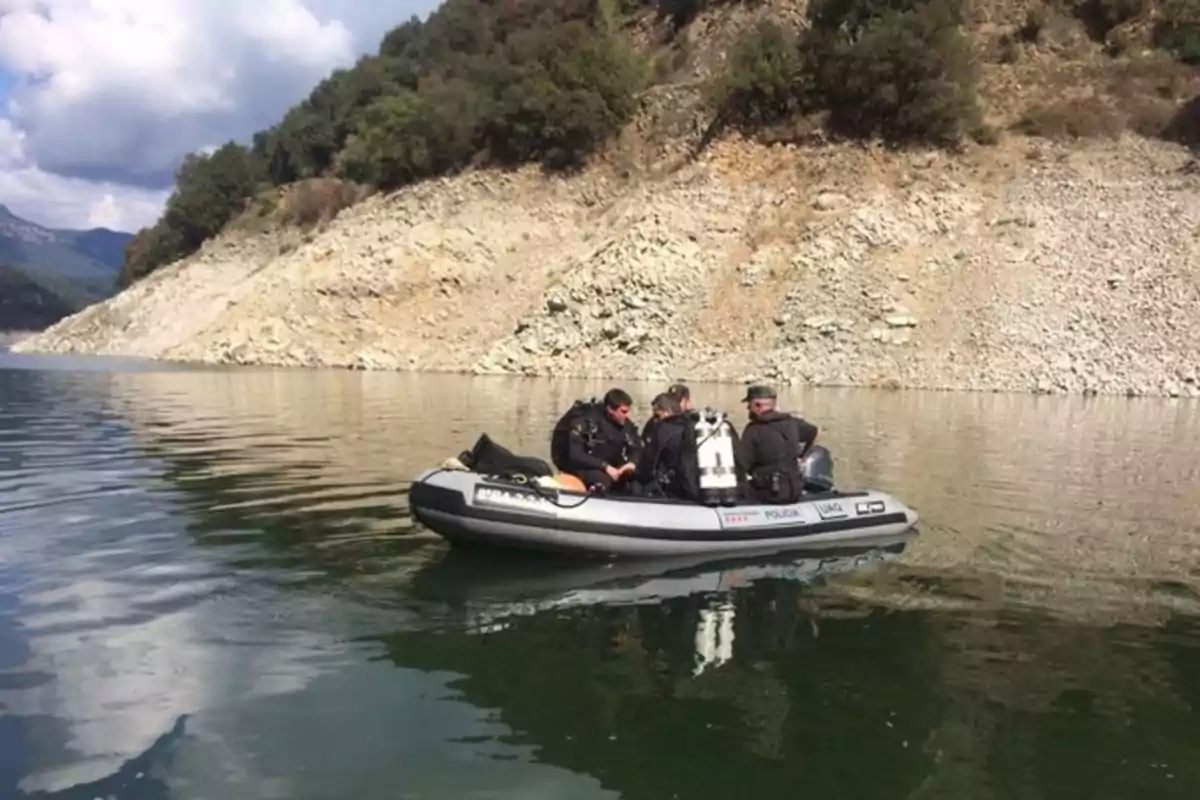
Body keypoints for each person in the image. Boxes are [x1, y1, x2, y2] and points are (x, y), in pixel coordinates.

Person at [551, 387, 643, 493]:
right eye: (623, 412)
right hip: (583, 467)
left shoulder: (625, 424)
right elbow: (575, 454)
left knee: (637, 481)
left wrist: (631, 463)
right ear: (610, 409)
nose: (627, 416)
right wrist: (605, 467)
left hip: (613, 468)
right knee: (603, 481)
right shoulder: (586, 421)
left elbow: (637, 446)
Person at [738, 384, 819, 504]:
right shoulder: (793, 423)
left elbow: (742, 466)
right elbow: (814, 431)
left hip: (771, 493)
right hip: (795, 491)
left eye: (749, 405)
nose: (748, 408)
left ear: (757, 405)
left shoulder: (753, 430)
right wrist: (802, 456)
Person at [632, 393, 701, 501]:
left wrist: (635, 470)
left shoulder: (663, 429)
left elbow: (647, 465)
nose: (655, 420)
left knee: (635, 484)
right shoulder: (693, 426)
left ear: (667, 411)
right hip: (694, 487)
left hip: (671, 489)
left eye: (657, 416)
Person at [641, 382, 696, 446]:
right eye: (671, 399)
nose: (674, 403)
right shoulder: (654, 420)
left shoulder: (693, 421)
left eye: (678, 401)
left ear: (687, 401)